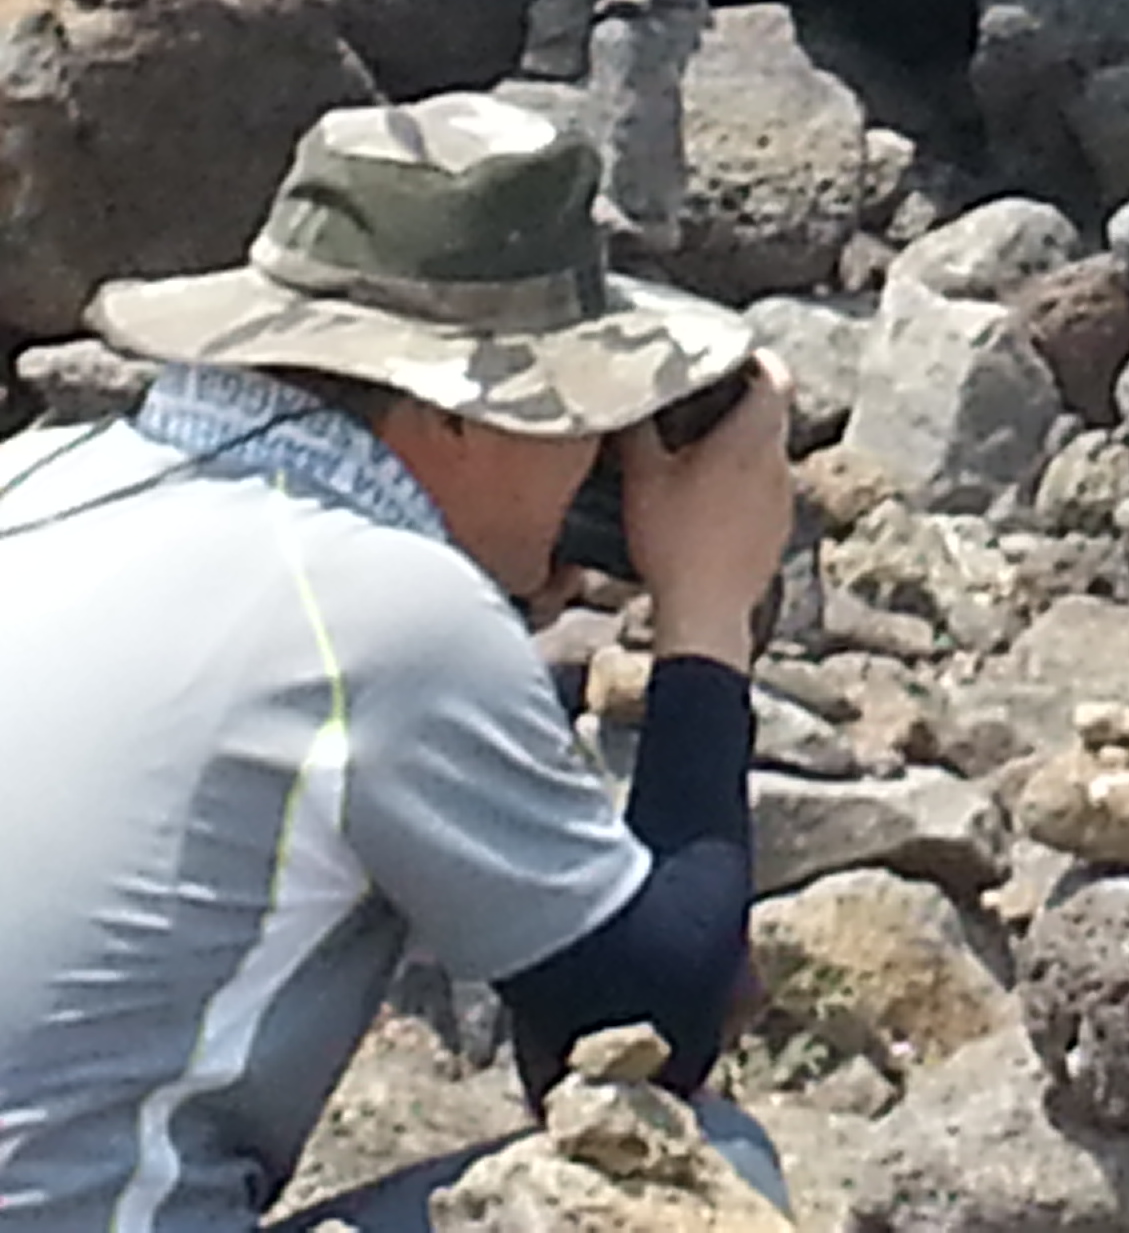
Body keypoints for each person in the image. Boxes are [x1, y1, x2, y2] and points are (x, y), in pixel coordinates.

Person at [0, 93, 800, 1233]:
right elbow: (642, 1033)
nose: (592, 454)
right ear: (458, 410)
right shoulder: (382, 610)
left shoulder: (39, 476)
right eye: (577, 411)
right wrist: (707, 617)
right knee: (701, 1169)